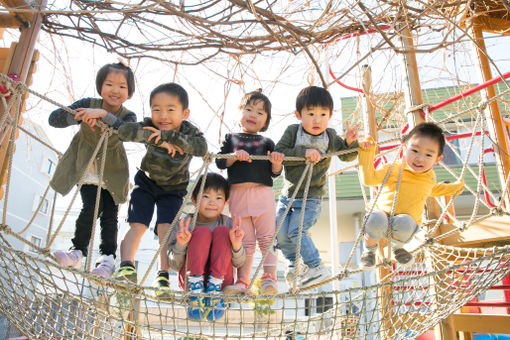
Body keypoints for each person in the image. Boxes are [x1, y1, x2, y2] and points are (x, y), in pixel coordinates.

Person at [115, 82, 207, 298]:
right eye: (156, 109)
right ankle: (126, 266)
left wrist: (169, 137)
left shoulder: (189, 132)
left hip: (174, 189)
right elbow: (124, 131)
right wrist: (152, 135)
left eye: (170, 110)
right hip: (146, 182)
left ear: (185, 113)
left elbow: (202, 148)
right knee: (137, 224)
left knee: (165, 230)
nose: (163, 115)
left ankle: (162, 276)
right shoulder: (149, 125)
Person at [49, 62, 137, 278]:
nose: (115, 90)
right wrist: (78, 116)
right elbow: (54, 119)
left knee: (110, 216)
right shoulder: (87, 103)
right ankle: (77, 251)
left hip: (114, 173)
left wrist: (103, 115)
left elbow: (130, 132)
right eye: (109, 84)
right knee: (89, 208)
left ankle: (107, 260)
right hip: (88, 170)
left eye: (122, 86)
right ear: (100, 87)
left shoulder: (128, 115)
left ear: (129, 92)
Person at [275, 86, 359, 289]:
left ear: (330, 116)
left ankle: (317, 267)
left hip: (311, 197)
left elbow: (346, 156)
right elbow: (280, 152)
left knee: (297, 231)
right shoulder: (293, 132)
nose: (317, 120)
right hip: (288, 194)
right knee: (279, 232)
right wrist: (304, 151)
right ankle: (296, 265)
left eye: (323, 114)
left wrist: (349, 143)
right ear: (298, 115)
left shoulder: (329, 136)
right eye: (310, 114)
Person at [358, 122, 464, 268]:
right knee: (376, 219)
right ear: (404, 148)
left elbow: (433, 190)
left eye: (428, 155)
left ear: (437, 160)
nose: (420, 158)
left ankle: (398, 248)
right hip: (380, 214)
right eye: (414, 151)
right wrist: (366, 154)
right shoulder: (393, 168)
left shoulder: (429, 178)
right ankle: (369, 250)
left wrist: (455, 187)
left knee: (407, 222)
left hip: (402, 224)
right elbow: (369, 179)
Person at [216, 90, 284, 296]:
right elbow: (220, 161)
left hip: (262, 195)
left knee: (266, 237)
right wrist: (234, 156)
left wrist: (276, 163)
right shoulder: (231, 138)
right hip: (237, 195)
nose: (253, 115)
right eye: (248, 109)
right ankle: (243, 281)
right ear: (239, 113)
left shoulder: (267, 143)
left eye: (260, 113)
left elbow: (275, 173)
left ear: (266, 121)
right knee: (245, 241)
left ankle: (269, 277)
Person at [168, 172, 245, 322]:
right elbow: (174, 265)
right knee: (201, 233)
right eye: (205, 197)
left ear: (225, 203)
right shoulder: (184, 225)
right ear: (193, 199)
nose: (212, 202)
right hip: (191, 281)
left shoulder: (229, 224)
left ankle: (214, 290)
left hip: (221, 282)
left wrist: (236, 245)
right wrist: (181, 244)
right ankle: (196, 291)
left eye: (218, 198)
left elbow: (239, 263)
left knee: (223, 232)